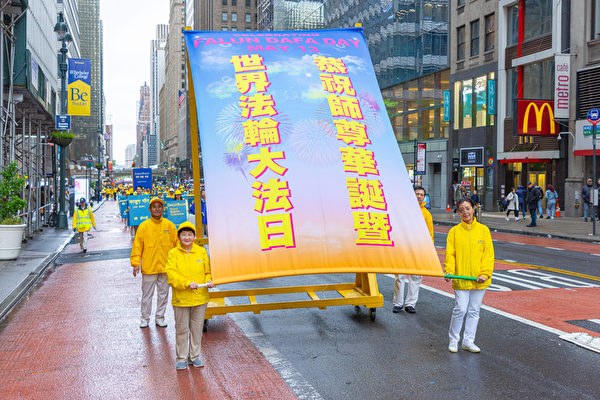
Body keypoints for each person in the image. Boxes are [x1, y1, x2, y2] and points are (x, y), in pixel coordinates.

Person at [444, 197, 494, 353]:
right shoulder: (454, 232)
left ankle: (468, 341)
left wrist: (485, 274)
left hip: (479, 280)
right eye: (461, 209)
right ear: (458, 212)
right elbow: (450, 254)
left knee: (474, 310)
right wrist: (449, 271)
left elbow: (488, 255)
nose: (465, 212)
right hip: (461, 278)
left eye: (467, 208)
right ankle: (454, 340)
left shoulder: (483, 230)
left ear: (474, 209)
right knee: (460, 309)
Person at [166, 221, 215, 370]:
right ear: (179, 237)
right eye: (183, 235)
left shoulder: (201, 252)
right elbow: (171, 274)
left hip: (200, 297)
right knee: (181, 329)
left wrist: (208, 281)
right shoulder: (173, 253)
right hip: (181, 298)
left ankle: (194, 356)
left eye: (189, 235)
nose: (187, 237)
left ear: (194, 236)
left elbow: (208, 272)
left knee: (196, 328)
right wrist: (187, 283)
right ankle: (181, 357)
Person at [130, 198, 179, 329]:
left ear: (163, 209)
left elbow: (177, 246)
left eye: (159, 206)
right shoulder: (143, 226)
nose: (157, 209)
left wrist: (178, 264)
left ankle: (160, 317)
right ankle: (144, 318)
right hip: (149, 267)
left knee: (163, 295)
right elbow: (137, 246)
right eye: (154, 206)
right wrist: (135, 263)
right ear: (150, 209)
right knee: (147, 296)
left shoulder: (170, 226)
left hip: (165, 268)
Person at [392, 186, 433, 314]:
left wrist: (428, 250)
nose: (419, 196)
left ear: (424, 197)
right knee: (400, 276)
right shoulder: (403, 211)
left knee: (416, 277)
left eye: (421, 194)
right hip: (404, 248)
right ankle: (397, 303)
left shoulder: (426, 214)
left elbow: (430, 234)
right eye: (417, 194)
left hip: (419, 249)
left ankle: (410, 304)